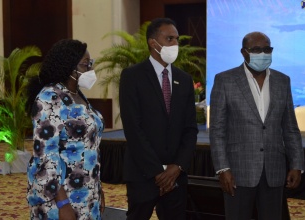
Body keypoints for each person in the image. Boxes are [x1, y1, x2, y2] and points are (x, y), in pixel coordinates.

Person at [209, 31, 305, 220]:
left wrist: (297, 164)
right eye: (256, 50)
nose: (263, 54)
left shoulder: (282, 81)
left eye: (267, 49)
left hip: (274, 170)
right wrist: (222, 168)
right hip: (237, 172)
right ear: (244, 52)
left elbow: (290, 127)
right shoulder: (225, 80)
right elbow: (217, 130)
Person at [119, 18, 198, 220]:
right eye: (169, 38)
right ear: (153, 42)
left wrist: (176, 168)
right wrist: (158, 173)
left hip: (176, 177)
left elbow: (190, 129)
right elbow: (133, 129)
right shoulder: (132, 76)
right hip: (142, 174)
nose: (175, 44)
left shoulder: (185, 79)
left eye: (177, 39)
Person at [25, 39, 105, 220]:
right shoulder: (49, 98)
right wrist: (62, 203)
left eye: (91, 64)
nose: (90, 70)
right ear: (69, 67)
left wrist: (97, 190)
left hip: (87, 193)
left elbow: (89, 149)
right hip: (61, 197)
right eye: (86, 65)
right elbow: (46, 157)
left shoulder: (78, 96)